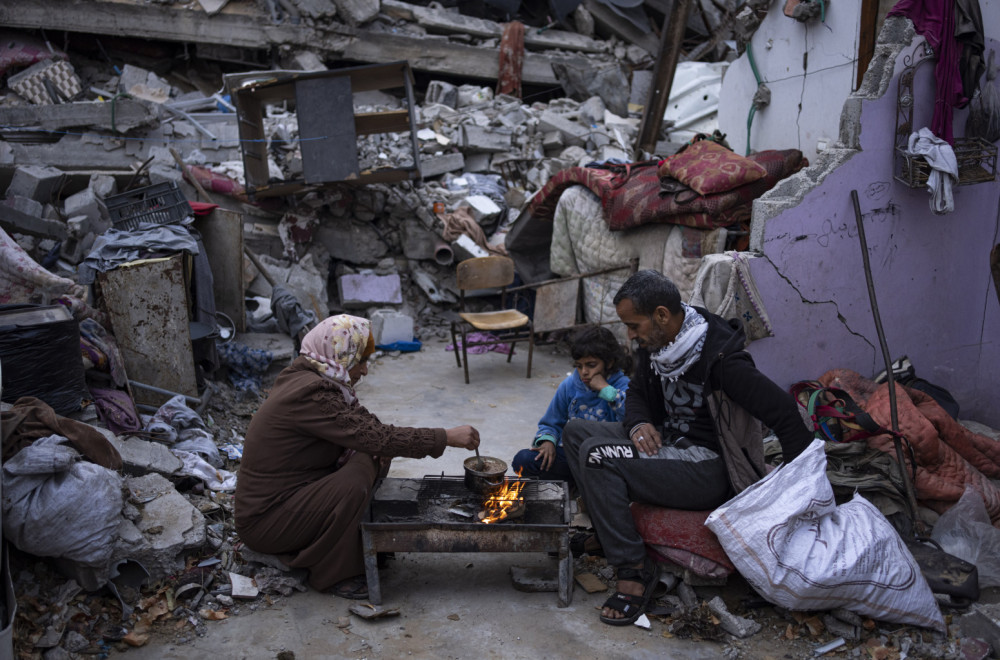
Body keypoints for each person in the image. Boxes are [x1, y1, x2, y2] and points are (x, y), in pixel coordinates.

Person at [563, 270, 811, 626]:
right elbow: (636, 394)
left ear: (662, 315)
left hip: (707, 468)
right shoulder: (658, 346)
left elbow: (788, 415)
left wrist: (795, 495)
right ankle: (608, 535)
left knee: (598, 456)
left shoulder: (722, 361)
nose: (630, 336)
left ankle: (633, 571)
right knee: (574, 432)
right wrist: (638, 423)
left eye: (634, 326)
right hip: (667, 444)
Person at [235, 314, 480, 600]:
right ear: (338, 354)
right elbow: (378, 437)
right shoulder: (310, 392)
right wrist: (446, 437)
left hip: (294, 497)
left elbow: (370, 429)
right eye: (359, 361)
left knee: (373, 455)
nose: (364, 371)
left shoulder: (316, 378)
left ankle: (355, 540)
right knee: (358, 476)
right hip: (266, 520)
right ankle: (333, 572)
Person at [511, 325, 630, 486]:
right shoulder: (570, 385)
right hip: (572, 458)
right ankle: (577, 485)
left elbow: (630, 422)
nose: (584, 372)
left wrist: (607, 391)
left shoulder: (623, 385)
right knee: (523, 461)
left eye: (591, 365)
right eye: (579, 366)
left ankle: (584, 488)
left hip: (606, 461)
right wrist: (548, 442)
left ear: (609, 363)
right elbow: (551, 423)